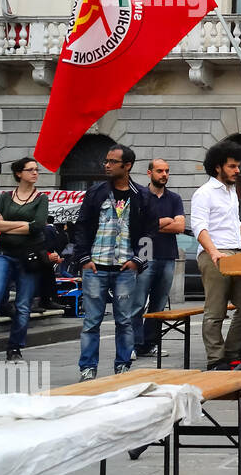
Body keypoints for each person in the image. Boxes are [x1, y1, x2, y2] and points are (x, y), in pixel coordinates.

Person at [71, 144, 151, 381]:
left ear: (127, 166)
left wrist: (139, 261)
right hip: (95, 265)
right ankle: (87, 369)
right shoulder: (96, 192)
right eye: (106, 161)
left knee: (125, 320)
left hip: (126, 267)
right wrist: (84, 259)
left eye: (112, 162)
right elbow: (82, 226)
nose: (106, 165)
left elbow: (150, 231)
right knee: (91, 321)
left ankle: (123, 367)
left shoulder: (142, 195)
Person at [192, 140, 241, 370]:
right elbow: (199, 227)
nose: (237, 170)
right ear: (218, 167)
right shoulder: (204, 193)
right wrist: (213, 252)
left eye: (237, 166)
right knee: (216, 311)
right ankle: (215, 359)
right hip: (216, 254)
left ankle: (232, 354)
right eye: (232, 166)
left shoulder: (232, 193)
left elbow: (236, 226)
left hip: (237, 253)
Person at [0, 157, 49, 362]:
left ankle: (15, 348)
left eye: (36, 170)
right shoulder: (5, 196)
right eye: (30, 170)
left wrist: (10, 224)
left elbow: (38, 226)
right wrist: (23, 224)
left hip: (28, 257)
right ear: (18, 174)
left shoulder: (41, 198)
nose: (35, 173)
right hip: (2, 254)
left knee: (23, 305)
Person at [132, 157, 185, 360]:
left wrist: (153, 224)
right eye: (160, 171)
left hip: (167, 255)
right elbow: (137, 227)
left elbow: (180, 227)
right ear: (149, 173)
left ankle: (150, 343)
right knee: (137, 303)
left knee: (159, 304)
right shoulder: (140, 196)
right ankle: (134, 344)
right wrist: (165, 221)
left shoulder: (174, 198)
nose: (164, 175)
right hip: (145, 255)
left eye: (167, 171)